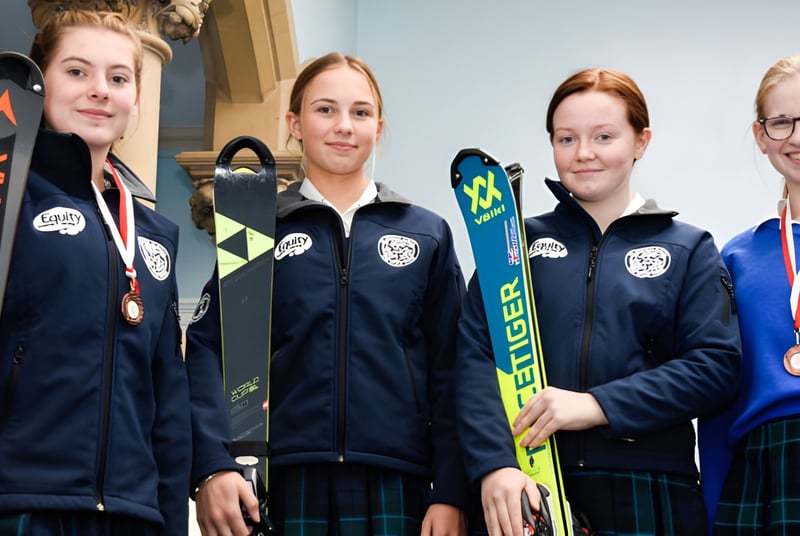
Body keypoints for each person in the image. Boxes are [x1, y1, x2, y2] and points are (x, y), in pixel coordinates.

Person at [186, 51, 470, 536]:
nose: (344, 125)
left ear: (378, 127)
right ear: (294, 123)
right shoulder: (256, 229)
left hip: (400, 483)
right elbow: (210, 351)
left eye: (360, 112)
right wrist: (213, 464)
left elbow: (454, 368)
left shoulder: (427, 233)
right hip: (279, 479)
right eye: (325, 110)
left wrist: (452, 491)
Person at [456, 68, 742, 536]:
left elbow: (716, 367)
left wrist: (596, 405)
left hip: (651, 486)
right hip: (527, 485)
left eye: (604, 136)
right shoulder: (513, 245)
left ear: (640, 141)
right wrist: (493, 464)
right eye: (566, 138)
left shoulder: (688, 248)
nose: (583, 153)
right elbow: (474, 361)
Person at [0, 9, 190, 536]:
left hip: (133, 513)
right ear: (40, 85)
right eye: (77, 72)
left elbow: (167, 393)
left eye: (118, 78)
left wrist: (170, 519)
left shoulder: (155, 234)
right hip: (23, 499)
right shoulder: (11, 200)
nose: (100, 91)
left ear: (135, 100)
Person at [698, 54, 800, 534]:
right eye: (782, 122)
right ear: (762, 137)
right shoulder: (736, 257)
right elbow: (721, 398)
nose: (797, 136)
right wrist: (715, 506)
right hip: (767, 466)